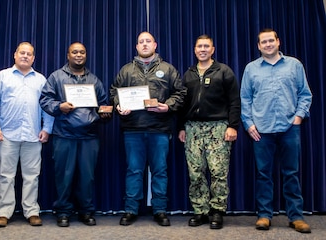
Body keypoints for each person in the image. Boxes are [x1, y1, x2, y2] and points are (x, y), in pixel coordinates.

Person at [240, 29, 312, 233]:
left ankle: (296, 217)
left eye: (271, 40)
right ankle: (264, 215)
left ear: (278, 42)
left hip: (290, 127)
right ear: (258, 46)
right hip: (261, 130)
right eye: (264, 42)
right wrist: (249, 124)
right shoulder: (251, 69)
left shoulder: (294, 65)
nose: (268, 44)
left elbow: (305, 94)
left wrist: (299, 117)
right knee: (263, 174)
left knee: (291, 173)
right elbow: (245, 98)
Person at [110, 32, 185, 226]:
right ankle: (131, 210)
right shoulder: (126, 70)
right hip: (132, 129)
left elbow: (180, 93)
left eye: (148, 41)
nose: (144, 45)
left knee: (160, 171)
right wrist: (118, 105)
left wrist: (167, 106)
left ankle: (160, 210)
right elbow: (114, 91)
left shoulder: (168, 69)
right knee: (134, 170)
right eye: (141, 42)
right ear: (136, 47)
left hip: (159, 129)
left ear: (155, 45)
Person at [39, 42, 110, 227]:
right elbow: (45, 99)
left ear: (86, 55)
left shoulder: (94, 80)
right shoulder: (56, 77)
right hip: (64, 135)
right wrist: (58, 106)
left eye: (82, 52)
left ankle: (86, 211)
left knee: (87, 177)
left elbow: (103, 103)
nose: (79, 55)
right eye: (75, 52)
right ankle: (63, 211)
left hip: (89, 136)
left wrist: (104, 113)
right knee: (64, 176)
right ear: (68, 55)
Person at [0, 42, 54, 228]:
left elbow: (47, 107)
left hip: (33, 136)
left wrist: (47, 128)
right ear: (14, 55)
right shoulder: (2, 76)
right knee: (6, 176)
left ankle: (31, 211)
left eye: (29, 54)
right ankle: (3, 212)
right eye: (22, 53)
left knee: (32, 176)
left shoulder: (40, 79)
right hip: (6, 135)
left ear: (34, 58)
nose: (25, 56)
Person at [177, 35, 241, 229]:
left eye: (206, 46)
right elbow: (182, 104)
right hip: (192, 129)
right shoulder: (188, 74)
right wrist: (181, 127)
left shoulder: (224, 71)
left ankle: (217, 211)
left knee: (218, 171)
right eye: (199, 46)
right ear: (195, 50)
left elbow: (234, 101)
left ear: (212, 49)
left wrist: (233, 126)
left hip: (218, 127)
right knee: (195, 172)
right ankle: (200, 211)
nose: (203, 49)